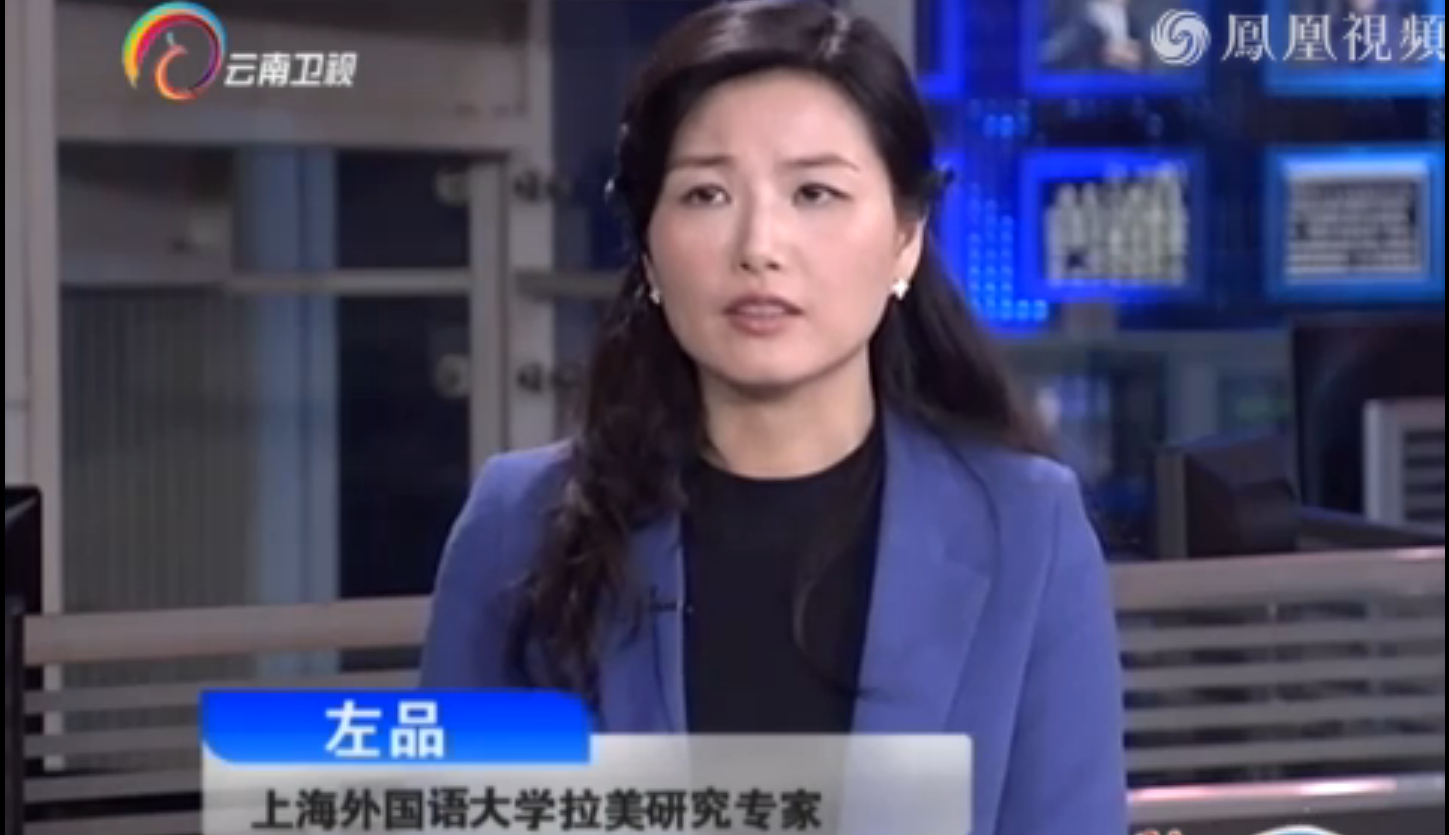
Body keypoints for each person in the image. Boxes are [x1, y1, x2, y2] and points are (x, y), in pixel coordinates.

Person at [419, 1, 1128, 833]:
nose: (759, 245)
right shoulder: (520, 523)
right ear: (648, 249)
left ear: (904, 238)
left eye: (814, 192)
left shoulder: (1026, 528)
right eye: (706, 193)